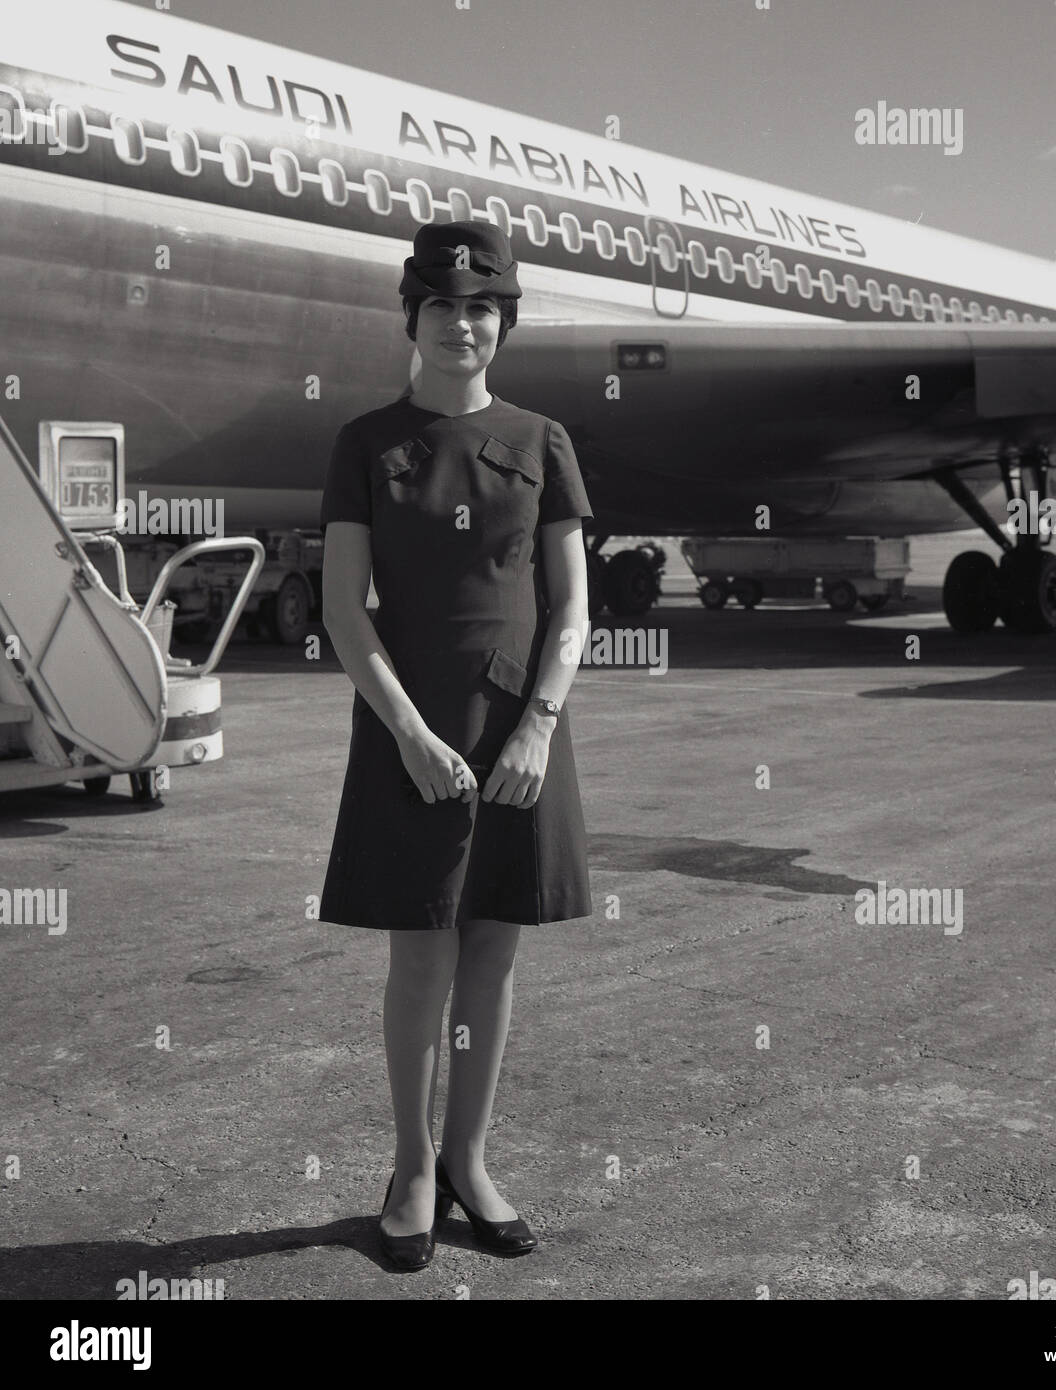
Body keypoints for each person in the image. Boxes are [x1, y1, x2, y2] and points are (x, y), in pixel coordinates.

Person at [317, 221, 594, 1270]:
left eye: (482, 307)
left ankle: (472, 1163)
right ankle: (412, 1167)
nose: (462, 323)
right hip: (409, 726)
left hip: (518, 726)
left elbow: (570, 610)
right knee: (421, 955)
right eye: (442, 307)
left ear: (502, 322)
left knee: (491, 951)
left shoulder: (541, 441)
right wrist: (410, 736)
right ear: (413, 319)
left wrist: (538, 724)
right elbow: (347, 614)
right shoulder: (364, 444)